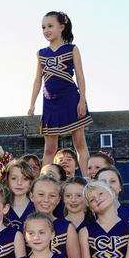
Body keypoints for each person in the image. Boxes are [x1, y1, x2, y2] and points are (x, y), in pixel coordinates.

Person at [27, 11, 92, 175]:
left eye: (50, 26)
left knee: (79, 144)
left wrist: (82, 100)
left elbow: (80, 76)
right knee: (49, 148)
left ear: (61, 27)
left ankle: (86, 180)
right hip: (50, 103)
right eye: (43, 27)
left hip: (71, 99)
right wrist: (32, 104)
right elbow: (37, 80)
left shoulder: (72, 49)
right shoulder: (41, 53)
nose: (46, 30)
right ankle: (44, 181)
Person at [3, 159, 35, 230]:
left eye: (25, 178)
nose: (19, 183)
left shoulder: (36, 207)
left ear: (31, 182)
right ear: (7, 180)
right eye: (14, 178)